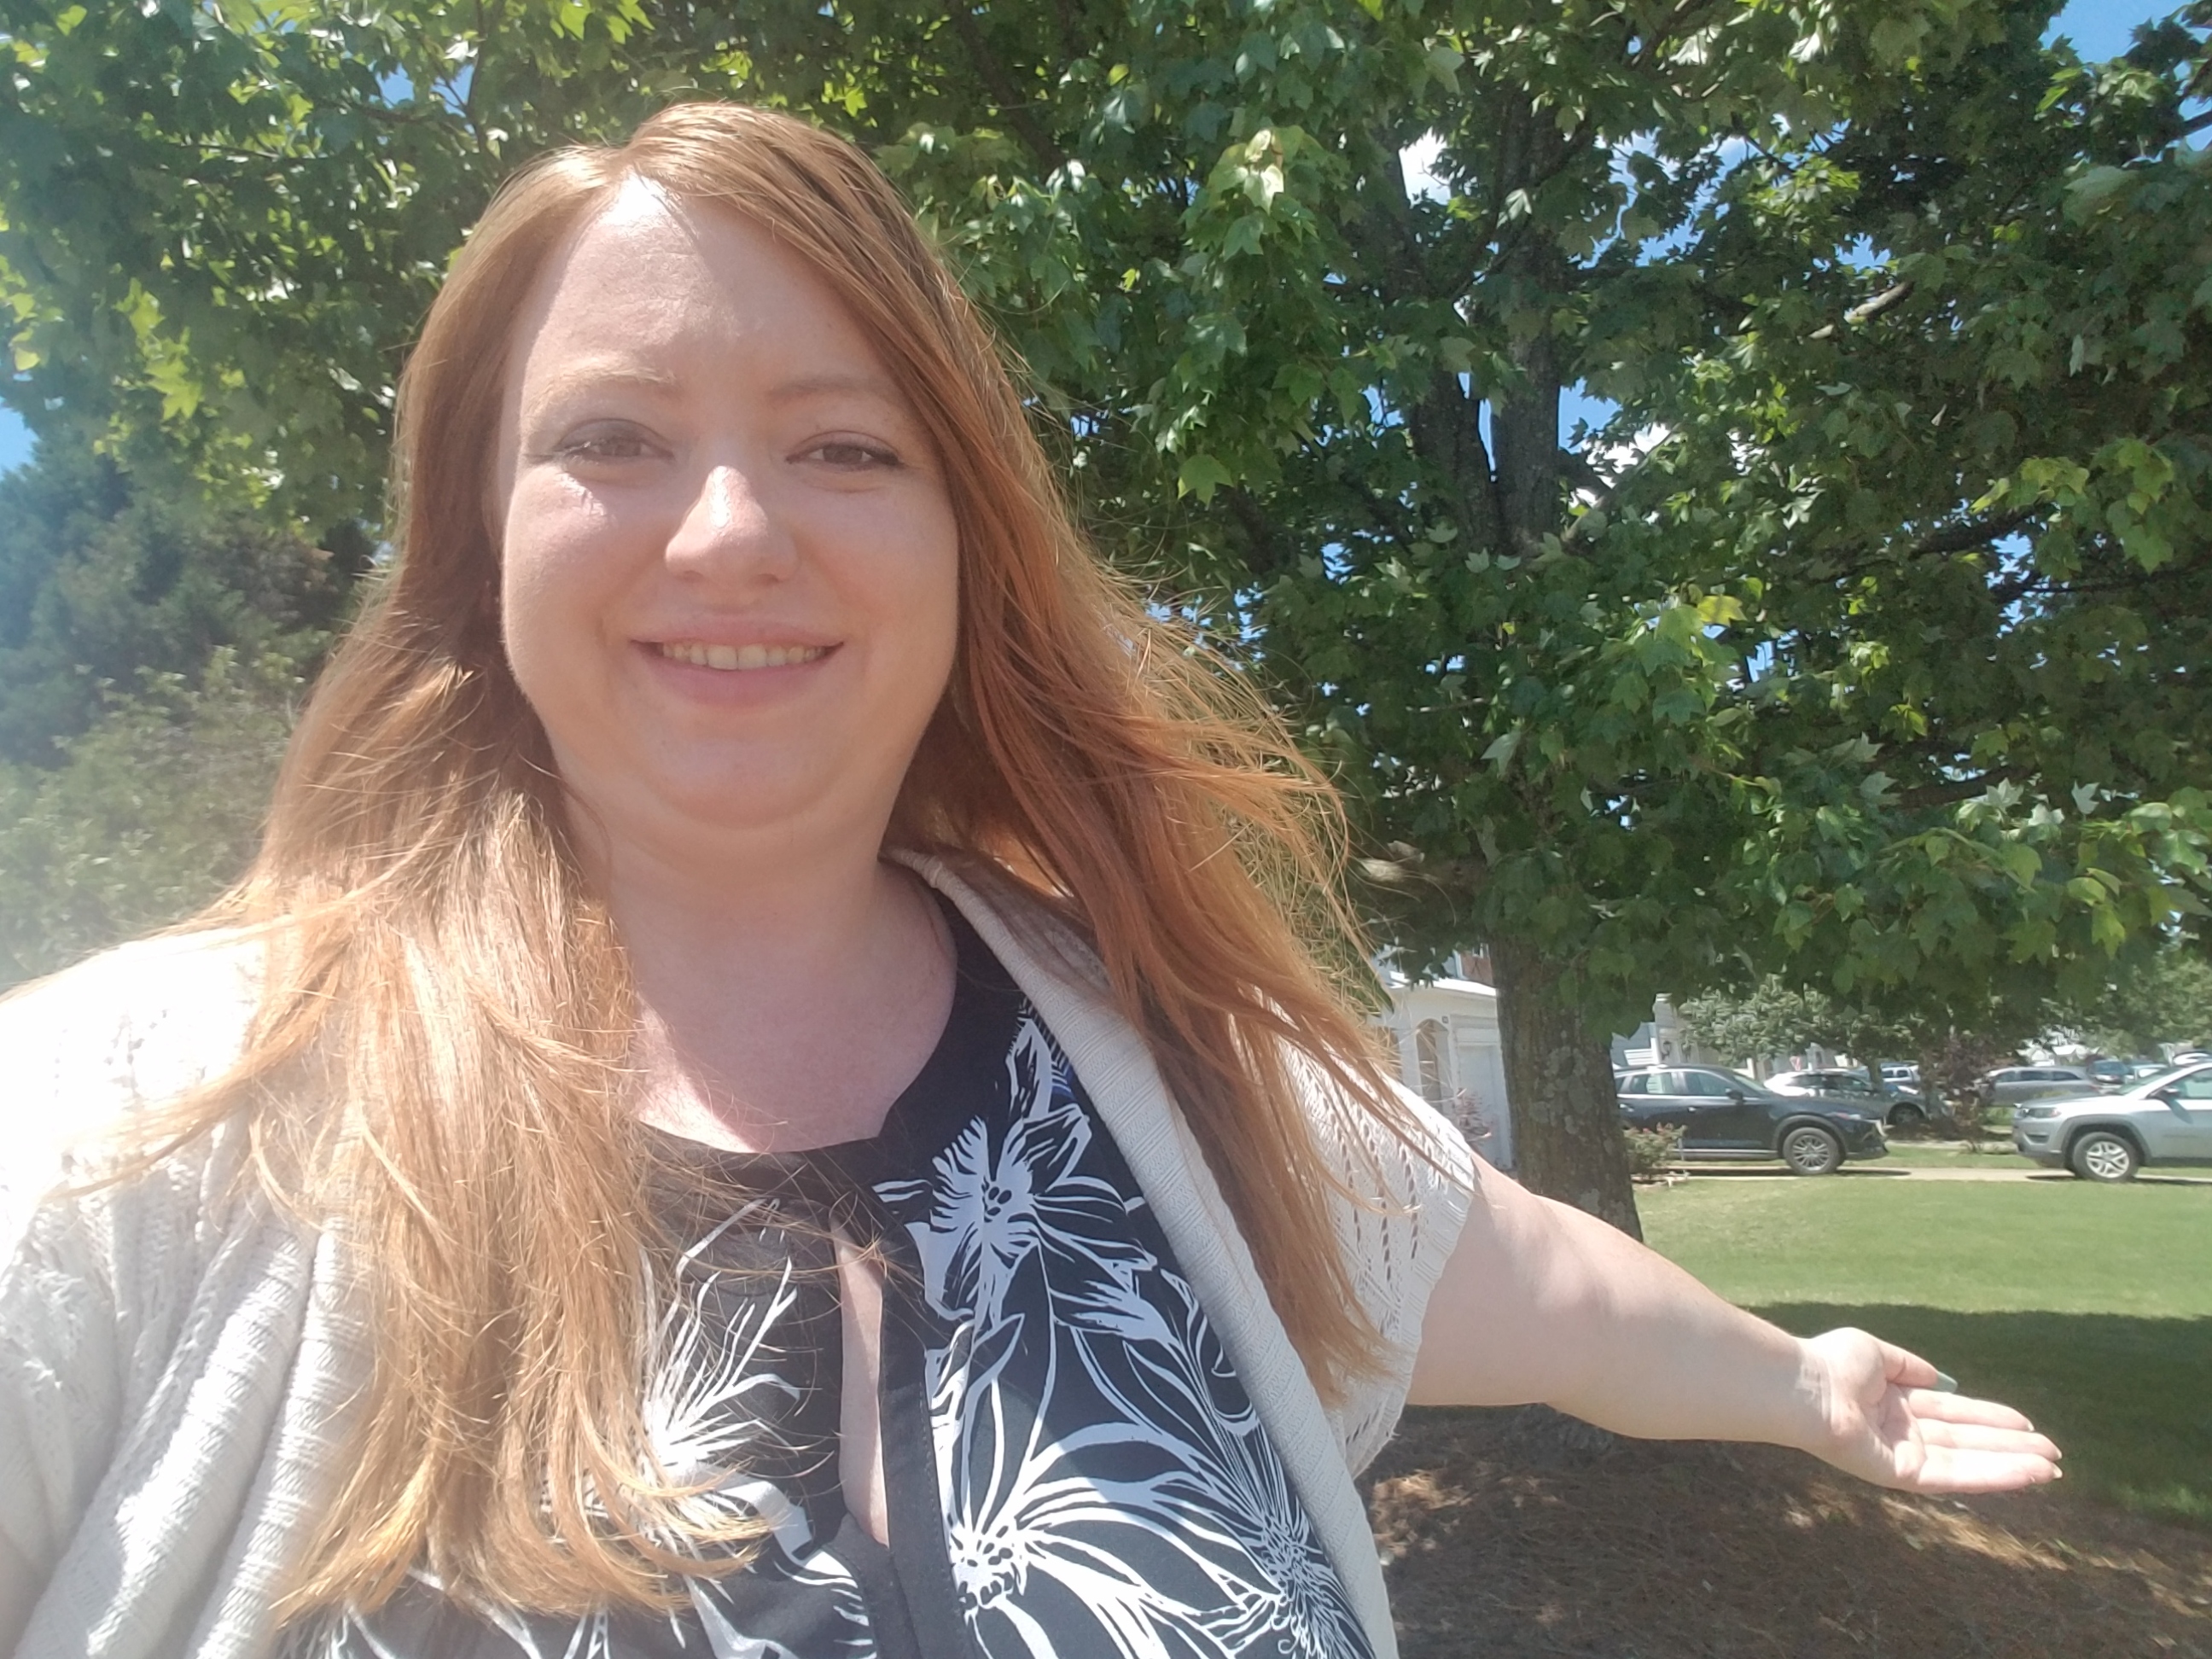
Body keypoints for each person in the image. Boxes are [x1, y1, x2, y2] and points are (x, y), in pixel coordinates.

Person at [0, 102, 2058, 1659]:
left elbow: (1533, 1280)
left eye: (845, 447)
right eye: (611, 438)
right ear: (475, 542)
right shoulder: (126, 1128)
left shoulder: (1165, 1075)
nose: (730, 532)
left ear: (962, 543)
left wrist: (1802, 1384)